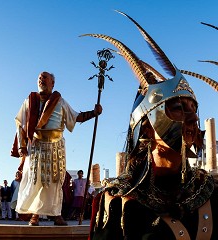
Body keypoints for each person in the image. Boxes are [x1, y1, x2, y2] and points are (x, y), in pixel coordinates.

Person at [87, 11, 218, 240]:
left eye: (193, 109)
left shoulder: (209, 192)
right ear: (147, 127)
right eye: (178, 108)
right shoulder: (117, 202)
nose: (193, 118)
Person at [12, 71, 103, 226]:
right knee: (36, 181)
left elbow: (75, 117)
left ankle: (56, 214)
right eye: (39, 78)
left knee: (55, 182)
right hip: (36, 147)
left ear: (52, 83)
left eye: (45, 78)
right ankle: (35, 215)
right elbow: (20, 124)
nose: (41, 79)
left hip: (56, 147)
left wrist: (94, 113)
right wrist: (21, 146)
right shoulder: (29, 101)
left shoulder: (60, 101)